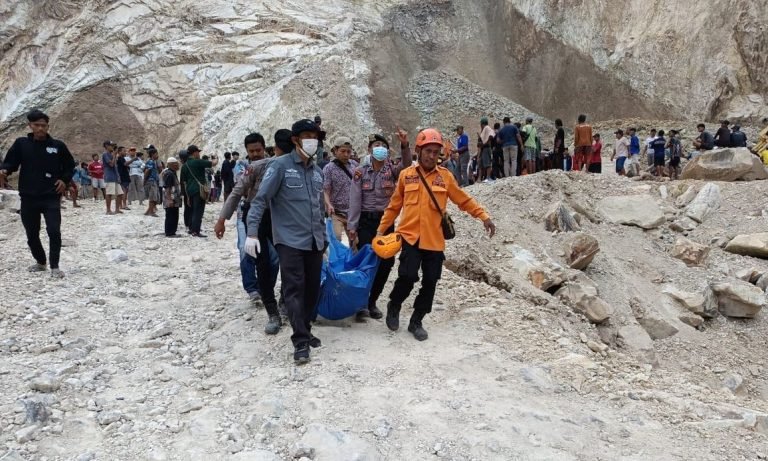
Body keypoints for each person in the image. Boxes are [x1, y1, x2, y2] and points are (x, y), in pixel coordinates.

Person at [377, 128, 495, 341]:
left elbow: (464, 200)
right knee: (407, 276)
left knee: (430, 281)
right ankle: (394, 304)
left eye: (436, 151)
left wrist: (484, 216)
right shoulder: (406, 176)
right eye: (428, 151)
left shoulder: (445, 177)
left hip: (434, 240)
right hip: (410, 238)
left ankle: (417, 321)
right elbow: (393, 207)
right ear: (419, 151)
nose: (432, 155)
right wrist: (380, 230)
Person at [245, 119, 326, 364]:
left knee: (312, 288)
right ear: (295, 139)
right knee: (294, 289)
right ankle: (300, 341)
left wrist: (325, 240)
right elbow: (260, 200)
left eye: (316, 136)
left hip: (314, 241)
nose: (313, 140)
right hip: (289, 241)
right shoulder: (279, 166)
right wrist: (251, 233)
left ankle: (306, 328)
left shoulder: (317, 171)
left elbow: (318, 208)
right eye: (308, 135)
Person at [215, 131, 287, 335]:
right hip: (256, 218)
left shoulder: (280, 165)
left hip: (281, 217)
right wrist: (222, 219)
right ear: (247, 151)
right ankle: (272, 312)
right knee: (262, 262)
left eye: (258, 150)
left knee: (287, 261)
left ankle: (284, 302)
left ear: (266, 148)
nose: (255, 154)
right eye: (251, 151)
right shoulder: (251, 169)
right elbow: (237, 193)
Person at [0, 109, 75, 278]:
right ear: (30, 126)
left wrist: (64, 180)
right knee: (32, 234)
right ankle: (41, 262)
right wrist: (4, 171)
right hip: (28, 197)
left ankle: (55, 266)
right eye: (37, 125)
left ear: (48, 126)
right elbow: (11, 163)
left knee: (54, 231)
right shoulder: (21, 144)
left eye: (44, 125)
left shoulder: (58, 146)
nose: (41, 129)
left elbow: (70, 166)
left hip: (51, 196)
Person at [347, 129, 412, 320]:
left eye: (383, 146)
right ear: (369, 149)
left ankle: (372, 301)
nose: (380, 149)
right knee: (366, 262)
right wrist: (352, 227)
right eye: (376, 146)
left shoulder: (391, 170)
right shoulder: (360, 172)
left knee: (386, 262)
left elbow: (407, 167)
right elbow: (355, 200)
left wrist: (405, 145)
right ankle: (360, 304)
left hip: (385, 223)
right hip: (365, 222)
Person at [323, 136, 358, 241]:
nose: (346, 154)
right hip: (336, 213)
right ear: (335, 151)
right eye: (343, 151)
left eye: (348, 151)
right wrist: (328, 204)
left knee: (355, 242)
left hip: (352, 213)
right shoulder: (329, 168)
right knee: (335, 239)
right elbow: (326, 190)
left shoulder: (355, 165)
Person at [181, 145, 217, 237]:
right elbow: (214, 163)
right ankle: (196, 231)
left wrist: (187, 196)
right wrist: (216, 157)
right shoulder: (198, 162)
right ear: (195, 152)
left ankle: (191, 228)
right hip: (199, 190)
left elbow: (184, 182)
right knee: (198, 211)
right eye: (198, 152)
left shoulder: (185, 165)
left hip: (190, 190)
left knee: (192, 210)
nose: (199, 154)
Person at [162, 157, 182, 237]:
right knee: (171, 215)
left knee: (174, 215)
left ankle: (172, 232)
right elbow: (168, 188)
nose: (178, 166)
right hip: (171, 198)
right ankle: (169, 233)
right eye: (176, 164)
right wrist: (169, 200)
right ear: (171, 165)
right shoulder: (169, 174)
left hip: (174, 198)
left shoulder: (172, 172)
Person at [101, 141, 121, 214]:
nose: (112, 147)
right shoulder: (105, 154)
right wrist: (115, 155)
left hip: (114, 176)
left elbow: (115, 166)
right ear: (106, 146)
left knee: (120, 193)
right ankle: (108, 210)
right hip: (109, 176)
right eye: (111, 145)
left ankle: (117, 209)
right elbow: (111, 164)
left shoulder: (110, 154)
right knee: (109, 194)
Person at [143, 148, 161, 217]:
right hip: (151, 181)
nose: (157, 155)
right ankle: (151, 212)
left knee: (154, 197)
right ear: (152, 154)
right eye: (156, 154)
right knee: (153, 197)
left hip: (153, 180)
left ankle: (148, 211)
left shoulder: (153, 161)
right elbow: (147, 171)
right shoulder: (151, 162)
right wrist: (144, 181)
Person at [478, 117, 494, 183]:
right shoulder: (485, 129)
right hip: (484, 148)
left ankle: (488, 177)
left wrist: (485, 143)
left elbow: (491, 136)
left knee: (487, 163)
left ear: (482, 124)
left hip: (486, 148)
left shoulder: (487, 128)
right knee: (483, 163)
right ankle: (485, 177)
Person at [116, 146, 132, 210]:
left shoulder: (121, 158)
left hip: (124, 176)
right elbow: (125, 164)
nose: (125, 152)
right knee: (124, 191)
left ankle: (121, 205)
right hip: (123, 176)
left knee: (122, 191)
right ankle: (124, 205)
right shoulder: (120, 158)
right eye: (124, 151)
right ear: (119, 152)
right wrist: (133, 160)